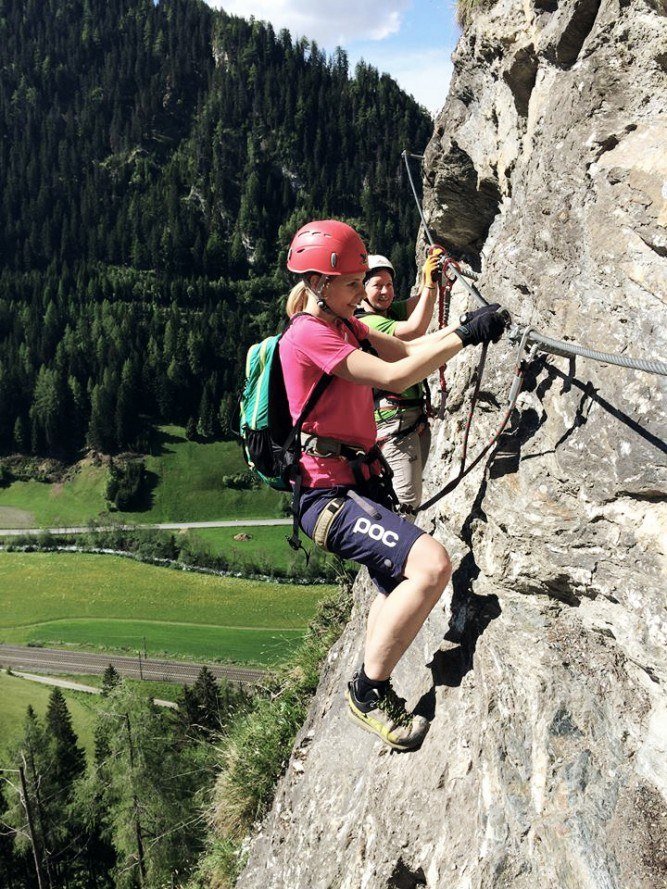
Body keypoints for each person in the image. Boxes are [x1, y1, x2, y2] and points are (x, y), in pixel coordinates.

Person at [280, 219, 506, 751]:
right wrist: (464, 334)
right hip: (328, 496)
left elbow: (403, 350)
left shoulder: (347, 325)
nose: (363, 292)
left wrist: (462, 330)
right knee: (431, 566)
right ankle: (367, 691)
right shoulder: (310, 334)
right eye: (353, 283)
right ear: (318, 284)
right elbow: (392, 378)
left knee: (391, 581)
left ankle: (371, 676)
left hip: (357, 483)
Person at [357, 251, 448, 515]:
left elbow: (417, 304)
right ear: (362, 291)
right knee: (405, 503)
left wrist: (430, 277)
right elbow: (415, 329)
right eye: (377, 286)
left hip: (407, 417)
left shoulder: (387, 312)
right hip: (394, 421)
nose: (385, 291)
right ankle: (396, 553)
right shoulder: (369, 323)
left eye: (389, 284)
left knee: (407, 499)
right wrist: (430, 284)